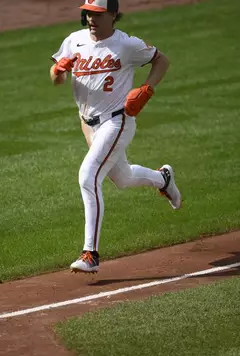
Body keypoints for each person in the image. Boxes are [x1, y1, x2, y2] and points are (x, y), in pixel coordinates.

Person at [50, 0, 182, 274]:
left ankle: (90, 254)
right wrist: (58, 71)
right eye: (87, 13)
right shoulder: (74, 41)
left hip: (117, 121)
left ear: (113, 15)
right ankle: (163, 179)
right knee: (122, 179)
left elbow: (162, 60)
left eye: (97, 14)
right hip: (89, 125)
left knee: (88, 176)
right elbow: (56, 79)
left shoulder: (126, 44)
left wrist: (147, 89)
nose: (90, 19)